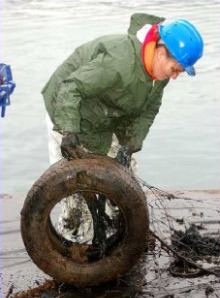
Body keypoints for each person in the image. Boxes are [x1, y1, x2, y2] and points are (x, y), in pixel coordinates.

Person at [42, 13, 203, 243]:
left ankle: (118, 232)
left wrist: (130, 145)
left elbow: (150, 109)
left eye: (179, 71)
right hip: (67, 106)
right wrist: (68, 131)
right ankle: (73, 251)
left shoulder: (159, 72)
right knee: (77, 191)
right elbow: (70, 88)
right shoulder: (118, 64)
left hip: (108, 110)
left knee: (124, 175)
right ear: (160, 51)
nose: (175, 76)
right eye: (175, 69)